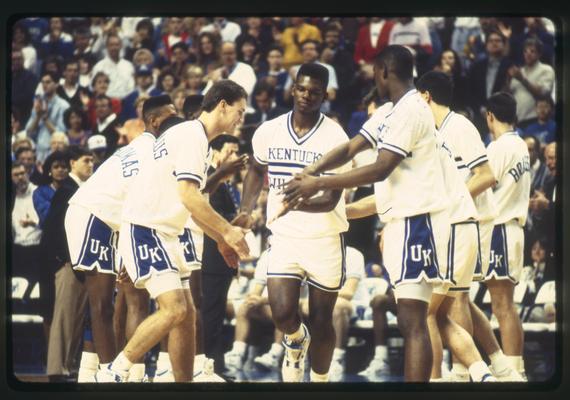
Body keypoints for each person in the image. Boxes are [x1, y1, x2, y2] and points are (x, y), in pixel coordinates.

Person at [282, 46, 451, 382]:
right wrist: (310, 169)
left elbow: (380, 169)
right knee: (410, 319)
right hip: (403, 221)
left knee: (413, 320)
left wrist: (319, 181)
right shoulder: (389, 110)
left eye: (375, 72)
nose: (374, 78)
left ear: (384, 70)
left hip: (420, 220)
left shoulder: (412, 110)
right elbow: (350, 147)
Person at [99, 80, 250, 382]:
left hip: (165, 231)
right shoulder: (192, 136)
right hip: (146, 227)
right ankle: (114, 373)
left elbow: (194, 202)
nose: (241, 119)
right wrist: (228, 232)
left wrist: (220, 240)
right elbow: (188, 195)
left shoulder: (193, 137)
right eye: (240, 111)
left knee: (187, 316)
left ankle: (184, 384)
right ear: (222, 105)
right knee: (174, 309)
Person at [235, 63, 351, 383]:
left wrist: (293, 203)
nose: (306, 96)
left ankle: (321, 380)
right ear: (293, 88)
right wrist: (246, 208)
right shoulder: (269, 130)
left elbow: (330, 199)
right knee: (283, 313)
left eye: (314, 91)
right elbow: (257, 170)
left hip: (325, 236)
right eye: (301, 88)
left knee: (322, 318)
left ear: (324, 95)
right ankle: (296, 342)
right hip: (284, 236)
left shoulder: (336, 137)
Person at [416, 71, 523, 382]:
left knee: (438, 307)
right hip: (461, 221)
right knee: (456, 298)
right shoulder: (435, 130)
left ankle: (459, 372)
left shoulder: (458, 127)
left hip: (471, 220)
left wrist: (449, 201)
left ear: (425, 96)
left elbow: (486, 175)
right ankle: (499, 368)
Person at [65, 95, 177, 382]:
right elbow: (141, 201)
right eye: (171, 117)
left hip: (108, 219)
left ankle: (95, 371)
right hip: (93, 215)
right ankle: (106, 375)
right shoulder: (151, 151)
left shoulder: (142, 145)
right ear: (153, 121)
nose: (177, 123)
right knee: (101, 303)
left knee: (105, 303)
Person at [484, 92, 532, 379]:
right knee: (504, 304)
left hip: (500, 228)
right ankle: (515, 368)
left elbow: (484, 182)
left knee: (502, 305)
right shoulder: (521, 145)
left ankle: (514, 370)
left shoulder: (499, 147)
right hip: (512, 227)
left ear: (490, 115)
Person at [43, 146, 94, 382]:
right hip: (67, 263)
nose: (90, 165)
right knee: (64, 317)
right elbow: (54, 229)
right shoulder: (66, 190)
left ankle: (67, 366)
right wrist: (64, 260)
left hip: (78, 263)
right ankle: (56, 370)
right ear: (73, 163)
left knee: (74, 318)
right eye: (86, 160)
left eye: (92, 161)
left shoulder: (78, 189)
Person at [311, 246, 365, 381]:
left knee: (338, 305)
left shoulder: (353, 254)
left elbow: (348, 292)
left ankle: (337, 359)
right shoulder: (314, 253)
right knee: (302, 306)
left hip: (353, 305)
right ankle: (305, 358)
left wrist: (320, 298)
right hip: (323, 303)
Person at [507, 38, 555, 128]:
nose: (528, 54)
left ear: (539, 54)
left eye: (532, 51)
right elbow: (508, 94)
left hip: (535, 119)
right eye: (525, 51)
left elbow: (543, 93)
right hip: (517, 120)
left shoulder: (546, 70)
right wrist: (508, 79)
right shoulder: (519, 71)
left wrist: (522, 79)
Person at [25, 71, 71, 163]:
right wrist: (38, 116)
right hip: (39, 152)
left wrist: (45, 118)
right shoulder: (38, 104)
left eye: (48, 82)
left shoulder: (63, 105)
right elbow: (29, 132)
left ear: (56, 84)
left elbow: (60, 134)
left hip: (55, 151)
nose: (44, 85)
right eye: (43, 82)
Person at [91, 34, 135, 99]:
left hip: (126, 100)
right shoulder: (99, 66)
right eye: (111, 45)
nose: (114, 48)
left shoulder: (128, 65)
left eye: (116, 45)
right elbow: (94, 88)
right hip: (106, 102)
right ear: (107, 47)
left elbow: (132, 87)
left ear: (121, 46)